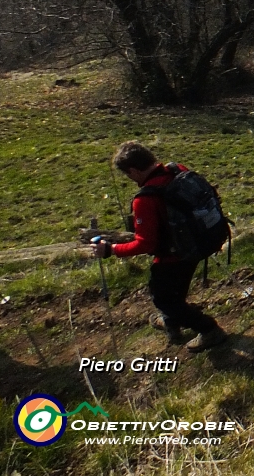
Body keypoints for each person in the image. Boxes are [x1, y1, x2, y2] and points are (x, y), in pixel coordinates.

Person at [91, 142, 228, 351]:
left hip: (171, 257)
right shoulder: (178, 171)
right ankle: (171, 322)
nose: (131, 180)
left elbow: (146, 243)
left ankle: (208, 329)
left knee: (164, 299)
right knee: (176, 291)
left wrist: (111, 249)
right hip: (195, 245)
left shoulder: (145, 199)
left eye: (129, 175)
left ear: (134, 170)